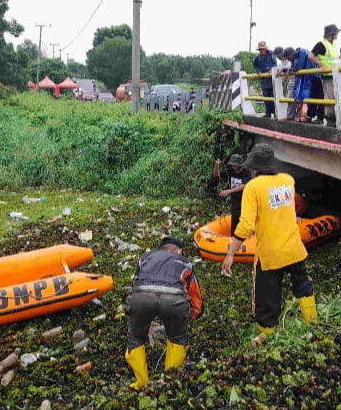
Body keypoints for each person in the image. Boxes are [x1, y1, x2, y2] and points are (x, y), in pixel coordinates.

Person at [220, 143, 317, 346]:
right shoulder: (288, 180)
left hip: (270, 253)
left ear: (254, 167)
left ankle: (268, 337)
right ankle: (313, 324)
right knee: (303, 285)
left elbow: (246, 224)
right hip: (294, 248)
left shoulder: (253, 187)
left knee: (266, 298)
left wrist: (230, 255)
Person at [125, 236, 203, 390]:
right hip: (174, 301)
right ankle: (169, 381)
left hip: (142, 297)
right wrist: (190, 316)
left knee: (135, 338)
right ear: (180, 250)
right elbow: (195, 296)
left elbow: (135, 283)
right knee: (177, 338)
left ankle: (141, 382)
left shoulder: (146, 258)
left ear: (161, 249)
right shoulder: (185, 262)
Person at [308, 24, 341, 127]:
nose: (337, 35)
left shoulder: (334, 45)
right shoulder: (322, 44)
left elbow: (335, 59)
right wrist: (321, 65)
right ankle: (330, 118)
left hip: (335, 75)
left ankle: (334, 118)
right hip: (327, 75)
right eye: (336, 33)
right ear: (331, 34)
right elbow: (311, 56)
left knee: (335, 97)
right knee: (329, 97)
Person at [283, 46, 321, 122]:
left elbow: (298, 68)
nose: (288, 60)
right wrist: (289, 69)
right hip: (308, 78)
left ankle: (310, 117)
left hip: (314, 77)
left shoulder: (302, 53)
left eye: (288, 58)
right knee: (303, 96)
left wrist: (290, 69)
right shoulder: (297, 55)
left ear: (291, 55)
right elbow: (294, 67)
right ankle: (306, 116)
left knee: (312, 97)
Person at [218, 154, 252, 235]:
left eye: (235, 165)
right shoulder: (231, 171)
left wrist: (228, 191)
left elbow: (244, 185)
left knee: (244, 221)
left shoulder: (246, 173)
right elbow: (217, 175)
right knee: (234, 221)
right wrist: (217, 165)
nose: (233, 166)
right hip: (235, 201)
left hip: (245, 201)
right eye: (232, 165)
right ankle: (233, 239)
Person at [253, 40, 278, 118]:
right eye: (260, 49)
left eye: (263, 49)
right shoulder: (257, 58)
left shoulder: (272, 55)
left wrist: (270, 69)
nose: (261, 51)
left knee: (273, 95)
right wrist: (258, 71)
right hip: (264, 80)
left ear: (266, 49)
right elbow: (255, 66)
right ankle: (268, 113)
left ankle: (275, 113)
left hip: (271, 79)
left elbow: (275, 64)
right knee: (266, 96)